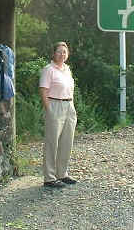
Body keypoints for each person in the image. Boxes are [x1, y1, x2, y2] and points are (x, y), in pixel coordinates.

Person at [39, 41, 78, 188]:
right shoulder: (49, 70)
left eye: (64, 52)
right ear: (53, 53)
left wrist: (72, 106)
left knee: (66, 142)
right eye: (59, 51)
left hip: (69, 105)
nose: (62, 54)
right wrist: (49, 109)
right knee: (52, 142)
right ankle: (49, 178)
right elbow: (43, 90)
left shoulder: (67, 69)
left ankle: (62, 173)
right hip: (54, 104)